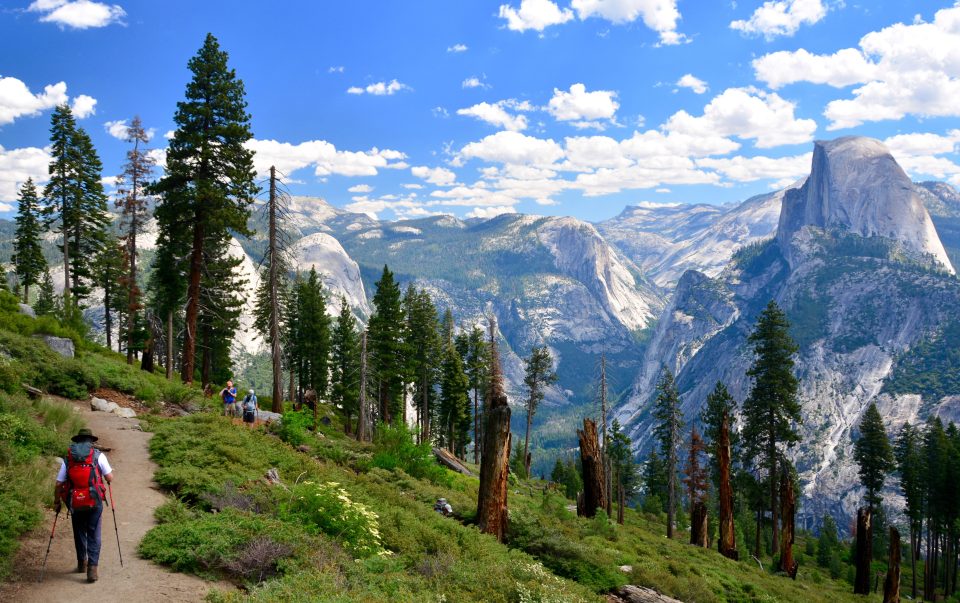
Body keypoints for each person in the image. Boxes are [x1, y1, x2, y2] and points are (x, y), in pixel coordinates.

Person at [54, 428, 114, 583]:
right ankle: (92, 569)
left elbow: (59, 483)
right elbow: (109, 477)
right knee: (94, 533)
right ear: (91, 441)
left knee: (79, 530)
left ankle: (82, 563)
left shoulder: (68, 458)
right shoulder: (98, 455)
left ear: (77, 441)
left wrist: (57, 502)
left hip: (74, 501)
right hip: (94, 500)